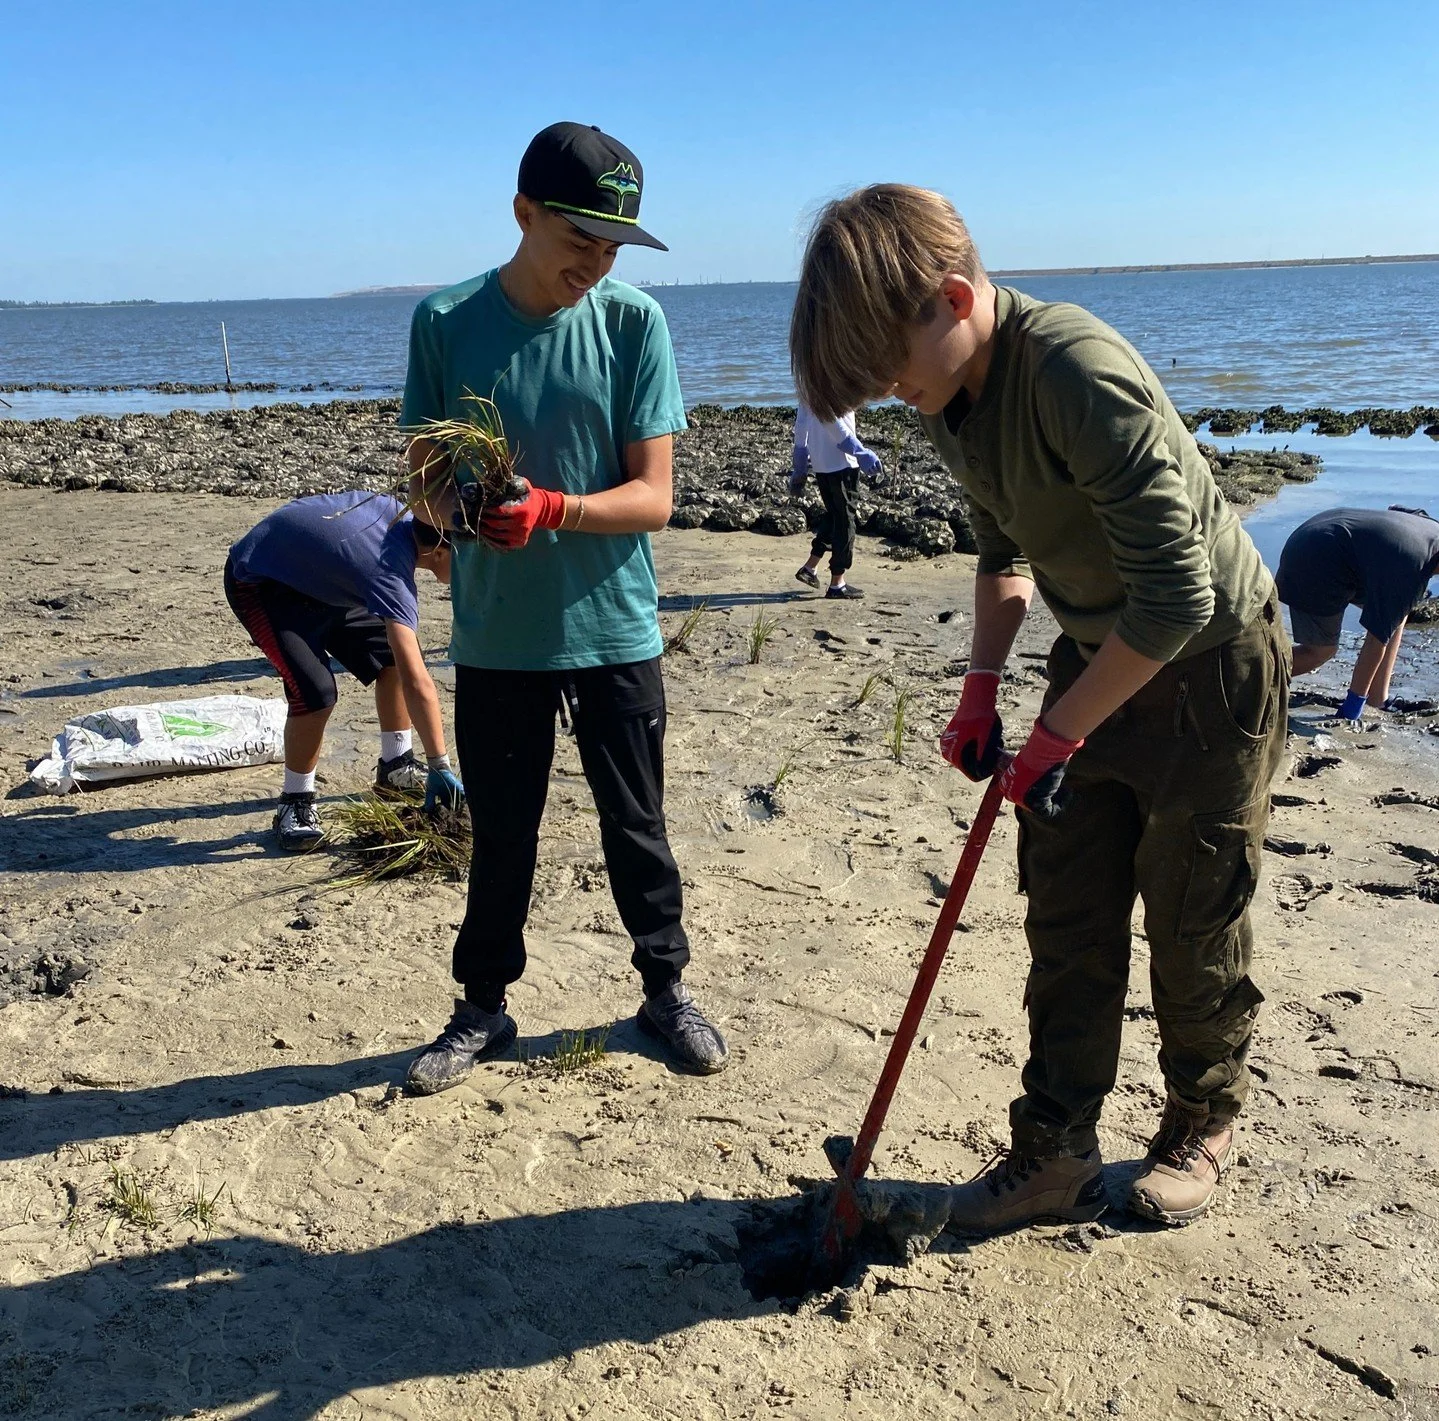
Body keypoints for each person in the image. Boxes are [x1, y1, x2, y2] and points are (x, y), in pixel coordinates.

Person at [791, 185, 1290, 1230]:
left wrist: (1059, 729)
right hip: (1094, 651)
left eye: (888, 363)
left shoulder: (1070, 367)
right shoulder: (949, 393)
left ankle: (1200, 1119)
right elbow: (1000, 554)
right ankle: (1052, 1149)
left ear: (954, 298)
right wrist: (980, 691)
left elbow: (1176, 595)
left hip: (1208, 661)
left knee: (1192, 915)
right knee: (1067, 916)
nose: (886, 390)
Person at [399, 121, 728, 1093]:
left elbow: (653, 499)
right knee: (503, 830)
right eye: (578, 236)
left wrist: (551, 506)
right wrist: (463, 510)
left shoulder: (634, 325)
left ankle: (663, 989)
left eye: (613, 243)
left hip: (612, 623)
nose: (596, 260)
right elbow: (423, 484)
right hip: (500, 635)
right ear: (522, 212)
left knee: (636, 821)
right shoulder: (445, 321)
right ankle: (481, 1006)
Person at [224, 491, 464, 850]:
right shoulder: (388, 575)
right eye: (466, 559)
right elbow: (419, 681)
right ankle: (296, 802)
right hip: (260, 581)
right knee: (315, 693)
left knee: (392, 658)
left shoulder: (406, 517)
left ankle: (396, 766)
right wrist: (440, 764)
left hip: (323, 580)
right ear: (440, 552)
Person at [1277, 505, 1439, 720]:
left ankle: (1377, 698)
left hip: (1329, 533)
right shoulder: (1411, 567)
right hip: (1313, 558)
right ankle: (1246, 678)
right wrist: (1352, 708)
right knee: (1320, 651)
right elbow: (1375, 641)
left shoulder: (1433, 531)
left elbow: (1397, 510)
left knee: (1398, 615)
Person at [789, 402, 883, 599]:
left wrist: (800, 457)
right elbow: (831, 419)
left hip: (820, 461)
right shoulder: (830, 378)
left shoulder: (808, 379)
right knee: (845, 521)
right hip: (842, 461)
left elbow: (802, 421)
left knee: (835, 515)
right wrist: (858, 451)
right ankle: (837, 583)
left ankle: (810, 567)